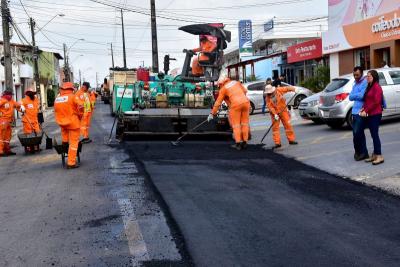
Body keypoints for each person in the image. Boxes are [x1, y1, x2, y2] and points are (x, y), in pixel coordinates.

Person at [209, 75, 250, 150]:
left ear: (221, 84)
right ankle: (245, 142)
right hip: (246, 103)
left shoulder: (223, 89)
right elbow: (245, 91)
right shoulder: (236, 82)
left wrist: (212, 113)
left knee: (236, 125)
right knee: (245, 123)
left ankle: (238, 144)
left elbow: (218, 102)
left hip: (235, 105)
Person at [54, 82, 83, 169]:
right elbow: (81, 106)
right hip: (73, 123)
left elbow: (56, 110)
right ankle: (71, 163)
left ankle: (65, 145)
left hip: (62, 123)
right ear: (71, 89)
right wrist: (80, 115)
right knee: (74, 143)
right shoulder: (73, 96)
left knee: (65, 139)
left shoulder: (57, 99)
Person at [359, 70, 384, 165]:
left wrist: (366, 110)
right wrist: (363, 108)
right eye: (367, 76)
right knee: (373, 134)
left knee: (375, 134)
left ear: (374, 77)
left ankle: (379, 155)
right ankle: (374, 154)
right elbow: (367, 100)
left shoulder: (377, 87)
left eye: (369, 76)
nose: (367, 78)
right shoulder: (369, 86)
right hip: (370, 113)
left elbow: (376, 102)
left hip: (376, 114)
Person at [265, 84, 298, 149]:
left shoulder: (279, 90)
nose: (270, 94)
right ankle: (277, 143)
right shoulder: (267, 98)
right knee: (275, 129)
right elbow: (270, 107)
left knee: (288, 125)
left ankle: (291, 140)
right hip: (275, 114)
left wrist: (294, 89)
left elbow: (287, 88)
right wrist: (275, 114)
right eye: (269, 93)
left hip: (283, 111)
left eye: (271, 92)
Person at [349, 66, 368, 161]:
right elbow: (350, 97)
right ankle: (360, 152)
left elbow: (362, 96)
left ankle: (362, 153)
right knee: (356, 134)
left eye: (357, 75)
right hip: (354, 112)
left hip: (361, 112)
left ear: (361, 74)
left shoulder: (365, 82)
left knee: (358, 134)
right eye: (354, 75)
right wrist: (356, 95)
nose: (355, 76)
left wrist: (355, 95)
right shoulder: (355, 84)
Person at [0, 90, 24, 157]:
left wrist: (22, 108)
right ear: (5, 95)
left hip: (9, 121)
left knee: (8, 136)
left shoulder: (11, 101)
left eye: (11, 95)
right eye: (10, 95)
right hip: (3, 120)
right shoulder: (2, 100)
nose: (11, 96)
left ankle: (7, 150)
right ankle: (0, 151)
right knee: (1, 136)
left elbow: (17, 105)